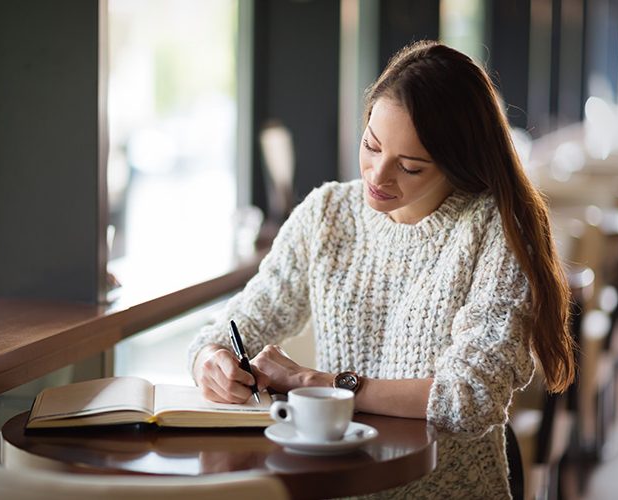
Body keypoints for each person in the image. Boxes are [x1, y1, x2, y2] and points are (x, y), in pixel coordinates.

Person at [188, 40, 575, 499]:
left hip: (445, 489)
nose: (377, 175)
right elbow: (235, 326)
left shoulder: (494, 230)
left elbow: (469, 396)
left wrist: (320, 383)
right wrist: (209, 361)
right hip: (336, 486)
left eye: (409, 167)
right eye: (371, 145)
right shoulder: (328, 213)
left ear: (457, 164)